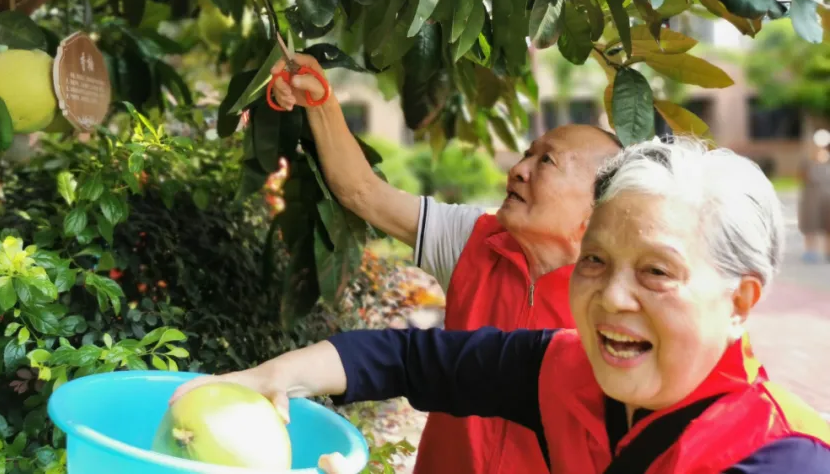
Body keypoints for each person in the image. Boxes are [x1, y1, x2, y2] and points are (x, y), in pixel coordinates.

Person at [174, 138, 830, 473]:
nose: (612, 298)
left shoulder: (778, 458)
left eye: (657, 272)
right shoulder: (564, 368)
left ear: (741, 301)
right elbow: (414, 358)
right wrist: (268, 380)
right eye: (595, 262)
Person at [268, 55, 622, 474]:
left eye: (546, 162)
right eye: (527, 154)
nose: (518, 170)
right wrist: (320, 100)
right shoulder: (474, 238)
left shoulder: (619, 296)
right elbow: (362, 191)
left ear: (597, 206)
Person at [800, 129, 830, 264]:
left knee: (827, 225)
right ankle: (810, 251)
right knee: (811, 224)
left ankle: (828, 251)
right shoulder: (807, 161)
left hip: (827, 198)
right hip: (811, 198)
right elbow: (801, 177)